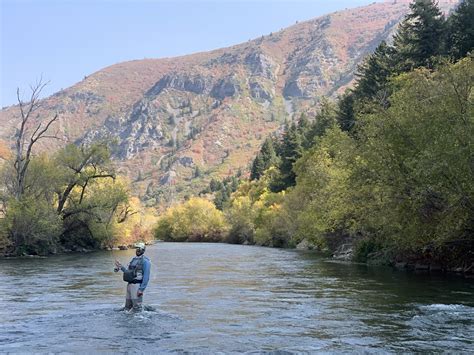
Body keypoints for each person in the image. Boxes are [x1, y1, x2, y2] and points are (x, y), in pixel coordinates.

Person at [114, 242, 151, 311]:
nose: (137, 251)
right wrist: (120, 266)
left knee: (137, 308)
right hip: (129, 285)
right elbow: (128, 272)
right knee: (127, 308)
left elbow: (146, 276)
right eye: (136, 249)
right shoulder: (133, 259)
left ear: (143, 250)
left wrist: (141, 289)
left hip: (137, 286)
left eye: (139, 249)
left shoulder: (146, 262)